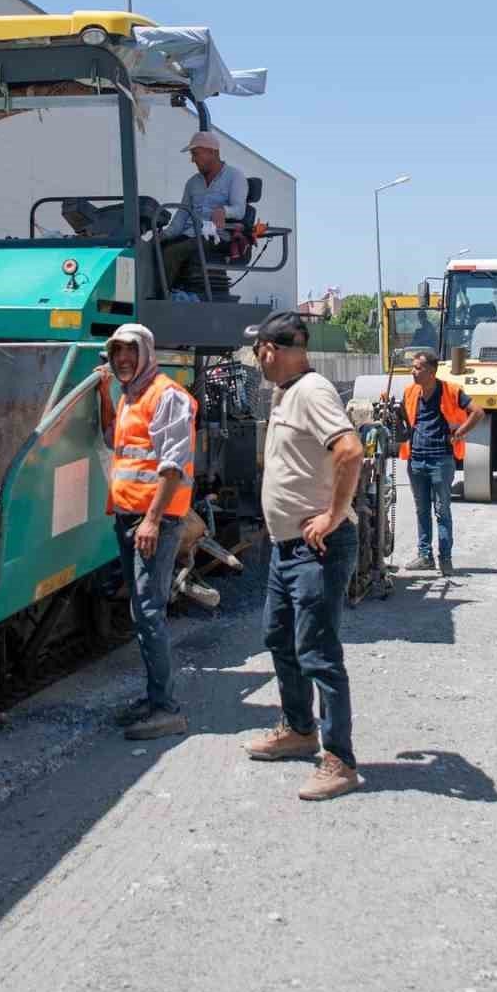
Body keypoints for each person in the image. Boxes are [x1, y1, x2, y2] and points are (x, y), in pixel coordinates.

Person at [242, 310, 367, 801]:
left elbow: (350, 451)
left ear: (270, 350)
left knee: (318, 652)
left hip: (317, 548)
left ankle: (340, 761)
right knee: (280, 636)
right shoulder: (288, 392)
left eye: (260, 354)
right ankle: (299, 730)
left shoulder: (311, 392)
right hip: (287, 548)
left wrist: (334, 515)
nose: (259, 363)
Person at [97, 324, 198, 737]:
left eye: (129, 351)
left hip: (151, 521)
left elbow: (173, 464)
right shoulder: (131, 396)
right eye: (116, 352)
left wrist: (154, 519)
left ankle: (167, 708)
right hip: (129, 517)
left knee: (150, 612)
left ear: (145, 353)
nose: (122, 359)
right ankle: (155, 699)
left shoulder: (166, 395)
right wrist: (104, 395)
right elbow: (112, 440)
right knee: (142, 611)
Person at [400, 350, 485, 575]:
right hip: (416, 460)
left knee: (441, 511)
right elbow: (403, 422)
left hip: (441, 460)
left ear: (431, 371)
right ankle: (425, 556)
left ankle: (445, 559)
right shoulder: (410, 392)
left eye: (418, 367)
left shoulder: (451, 391)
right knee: (421, 510)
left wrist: (459, 434)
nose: (413, 371)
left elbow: (477, 412)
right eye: (413, 367)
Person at [159, 130, 248, 293]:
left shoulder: (235, 177)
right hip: (191, 235)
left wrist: (224, 211)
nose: (192, 160)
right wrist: (162, 236)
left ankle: (163, 298)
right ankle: (171, 292)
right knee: (154, 249)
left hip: (217, 237)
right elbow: (180, 217)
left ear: (212, 153)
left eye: (195, 154)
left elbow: (240, 210)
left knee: (172, 252)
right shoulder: (192, 183)